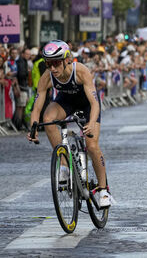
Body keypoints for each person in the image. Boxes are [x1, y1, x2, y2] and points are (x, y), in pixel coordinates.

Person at [27, 40, 113, 207]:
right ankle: (65, 166)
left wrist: (92, 122)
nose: (52, 68)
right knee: (48, 119)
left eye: (56, 63)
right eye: (48, 63)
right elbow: (37, 107)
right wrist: (33, 127)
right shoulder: (47, 77)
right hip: (65, 102)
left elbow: (95, 103)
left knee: (92, 146)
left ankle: (103, 190)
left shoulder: (80, 71)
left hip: (87, 104)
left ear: (66, 59)